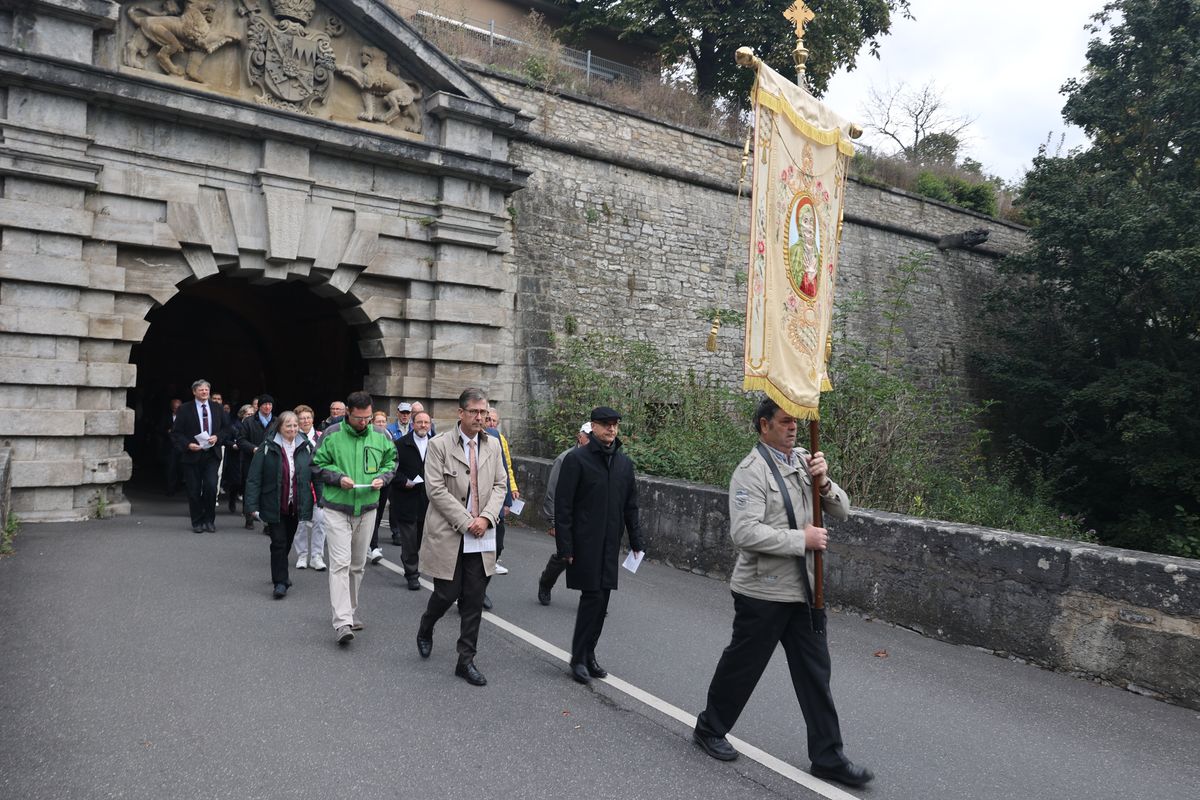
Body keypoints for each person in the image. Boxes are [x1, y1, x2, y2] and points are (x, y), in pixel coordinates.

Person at [691, 397, 872, 789]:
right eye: (785, 421)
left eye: (796, 421)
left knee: (815, 674)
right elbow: (744, 533)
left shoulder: (805, 461)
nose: (793, 427)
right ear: (764, 425)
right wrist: (800, 539)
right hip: (762, 591)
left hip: (804, 591)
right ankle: (709, 728)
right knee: (744, 666)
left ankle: (828, 757)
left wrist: (824, 482)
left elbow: (842, 510)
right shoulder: (750, 471)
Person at [416, 388, 507, 686]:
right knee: (447, 593)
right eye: (474, 412)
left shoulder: (493, 445)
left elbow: (500, 485)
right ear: (461, 413)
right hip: (451, 531)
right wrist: (467, 522)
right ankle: (427, 625)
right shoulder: (439, 445)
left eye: (484, 412)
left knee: (473, 599)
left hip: (482, 533)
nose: (480, 417)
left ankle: (465, 660)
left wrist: (486, 517)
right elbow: (435, 490)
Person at [554, 406, 644, 685]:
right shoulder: (577, 460)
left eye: (615, 424)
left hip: (610, 543)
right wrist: (565, 547)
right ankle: (578, 658)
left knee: (602, 600)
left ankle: (589, 654)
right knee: (591, 598)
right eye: (606, 424)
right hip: (585, 542)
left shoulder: (623, 464)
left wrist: (636, 540)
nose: (611, 429)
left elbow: (630, 506)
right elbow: (563, 506)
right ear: (593, 427)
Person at [312, 391, 396, 645]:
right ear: (348, 413)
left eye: (368, 418)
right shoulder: (331, 434)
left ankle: (350, 610)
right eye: (359, 418)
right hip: (337, 507)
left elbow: (392, 461)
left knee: (357, 565)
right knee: (340, 563)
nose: (364, 422)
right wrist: (338, 478)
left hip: (367, 508)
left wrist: (383, 477)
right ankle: (342, 621)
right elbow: (317, 464)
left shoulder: (381, 435)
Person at [245, 411, 315, 599]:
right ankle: (280, 582)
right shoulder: (267, 447)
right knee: (278, 542)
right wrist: (251, 505)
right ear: (279, 427)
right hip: (273, 503)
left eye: (295, 425)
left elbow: (316, 474)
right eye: (288, 426)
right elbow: (254, 478)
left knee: (287, 541)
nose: (292, 429)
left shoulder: (306, 447)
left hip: (296, 505)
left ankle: (279, 570)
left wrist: (321, 498)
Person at [536, 421, 592, 606]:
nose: (592, 441)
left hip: (588, 518)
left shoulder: (598, 459)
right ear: (580, 437)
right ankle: (546, 583)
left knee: (591, 557)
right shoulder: (565, 459)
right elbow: (552, 491)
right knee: (565, 556)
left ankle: (593, 597)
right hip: (567, 517)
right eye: (588, 437)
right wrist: (553, 522)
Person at [171, 379, 234, 533]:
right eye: (201, 390)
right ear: (194, 392)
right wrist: (188, 445)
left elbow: (227, 428)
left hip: (211, 454)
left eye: (207, 389)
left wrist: (217, 437)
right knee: (193, 490)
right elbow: (176, 433)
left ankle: (209, 520)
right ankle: (197, 521)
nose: (205, 392)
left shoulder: (217, 408)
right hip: (192, 455)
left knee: (211, 487)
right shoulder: (185, 409)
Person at [389, 409, 432, 590]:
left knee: (420, 539)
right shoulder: (400, 444)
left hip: (428, 501)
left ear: (430, 425)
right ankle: (412, 573)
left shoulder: (436, 444)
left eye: (426, 422)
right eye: (419, 422)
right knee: (409, 540)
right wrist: (403, 481)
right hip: (406, 499)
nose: (423, 425)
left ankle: (410, 559)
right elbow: (391, 469)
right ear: (413, 424)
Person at [485, 407, 519, 578]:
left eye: (494, 421)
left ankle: (493, 560)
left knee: (499, 535)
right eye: (489, 420)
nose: (491, 423)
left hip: (497, 493)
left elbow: (506, 467)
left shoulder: (499, 438)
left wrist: (512, 490)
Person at [293, 405, 326, 572]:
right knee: (301, 522)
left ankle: (316, 556)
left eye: (308, 418)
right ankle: (302, 554)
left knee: (320, 520)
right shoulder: (293, 438)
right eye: (301, 418)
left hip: (319, 484)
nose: (305, 421)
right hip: (301, 484)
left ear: (312, 419)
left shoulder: (321, 436)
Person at [238, 393, 275, 531]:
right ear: (259, 406)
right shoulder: (249, 421)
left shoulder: (277, 422)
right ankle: (249, 517)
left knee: (269, 490)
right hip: (251, 460)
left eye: (270, 404)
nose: (267, 407)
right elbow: (241, 440)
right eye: (265, 404)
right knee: (251, 489)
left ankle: (267, 523)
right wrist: (253, 448)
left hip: (271, 460)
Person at [365, 409, 391, 564]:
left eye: (383, 421)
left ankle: (370, 544)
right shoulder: (368, 435)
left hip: (384, 480)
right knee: (371, 513)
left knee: (379, 514)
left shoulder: (388, 435)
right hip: (370, 480)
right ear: (372, 422)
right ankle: (372, 546)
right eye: (378, 421)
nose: (381, 424)